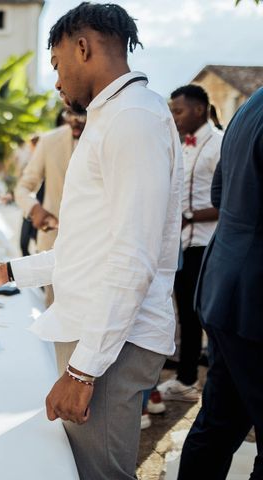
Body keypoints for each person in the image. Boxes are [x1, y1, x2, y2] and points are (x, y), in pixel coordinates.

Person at [0, 3, 183, 479]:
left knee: (97, 474)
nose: (58, 81)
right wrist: (8, 271)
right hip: (96, 333)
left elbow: (133, 258)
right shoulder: (113, 116)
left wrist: (83, 372)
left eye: (58, 64)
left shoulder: (133, 120)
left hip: (110, 343)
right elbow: (86, 248)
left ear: (82, 47)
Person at [178, 87, 263, 480]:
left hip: (225, 281)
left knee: (218, 422)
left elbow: (219, 192)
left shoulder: (252, 104)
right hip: (255, 298)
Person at [157, 84, 222, 403]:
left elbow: (231, 200)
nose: (174, 116)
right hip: (183, 244)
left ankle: (193, 382)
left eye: (178, 110)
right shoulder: (185, 144)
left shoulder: (220, 144)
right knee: (185, 313)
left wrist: (190, 215)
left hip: (206, 245)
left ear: (199, 110)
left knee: (200, 314)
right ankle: (186, 380)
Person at [15, 103, 86, 305]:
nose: (74, 120)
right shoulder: (49, 141)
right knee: (54, 313)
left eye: (81, 115)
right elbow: (23, 187)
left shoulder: (110, 140)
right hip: (53, 242)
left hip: (95, 250)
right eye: (69, 114)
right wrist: (34, 208)